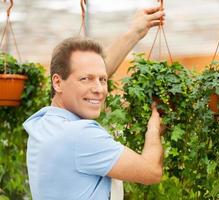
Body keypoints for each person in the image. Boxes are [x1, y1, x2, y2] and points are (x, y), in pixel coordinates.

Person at [23, 6, 165, 200]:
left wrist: (135, 32)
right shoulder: (80, 135)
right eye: (86, 79)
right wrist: (154, 129)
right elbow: (151, 172)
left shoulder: (44, 123)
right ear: (57, 82)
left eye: (103, 79)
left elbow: (88, 79)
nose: (99, 89)